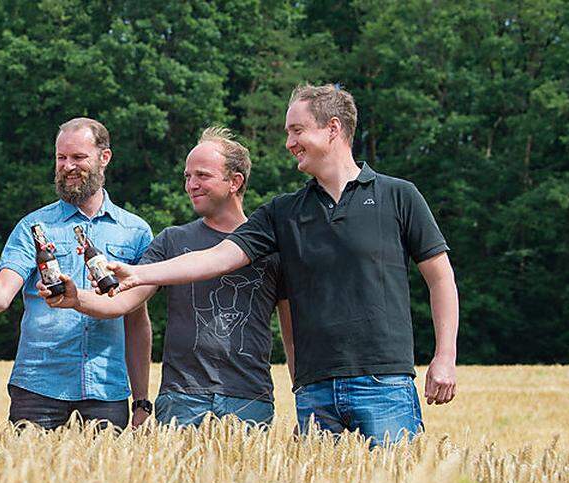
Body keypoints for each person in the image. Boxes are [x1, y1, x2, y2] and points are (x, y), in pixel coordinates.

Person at [106, 84, 459, 445]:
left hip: (384, 384)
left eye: (297, 131)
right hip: (316, 393)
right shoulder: (284, 212)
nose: (289, 143)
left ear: (333, 128)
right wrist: (138, 273)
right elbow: (218, 257)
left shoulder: (398, 196)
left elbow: (441, 277)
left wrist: (445, 356)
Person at [40, 127, 293, 427]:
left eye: (202, 175)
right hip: (182, 399)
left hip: (250, 398)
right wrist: (76, 299)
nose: (191, 185)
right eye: (187, 176)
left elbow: (292, 336)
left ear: (235, 181)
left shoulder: (271, 248)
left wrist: (303, 401)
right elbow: (124, 302)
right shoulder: (171, 241)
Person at [0, 118, 153, 430]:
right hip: (38, 384)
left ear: (104, 157)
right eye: (61, 158)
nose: (68, 166)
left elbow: (136, 319)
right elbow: (0, 295)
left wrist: (141, 400)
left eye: (78, 157)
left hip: (106, 387)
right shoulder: (33, 227)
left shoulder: (136, 232)